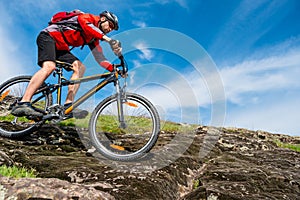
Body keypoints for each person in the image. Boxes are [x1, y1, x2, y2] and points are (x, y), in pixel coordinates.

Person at [11, 10, 122, 119]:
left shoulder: (93, 38)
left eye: (112, 29)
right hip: (48, 37)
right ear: (103, 19)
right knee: (49, 66)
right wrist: (108, 40)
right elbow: (86, 25)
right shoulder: (88, 18)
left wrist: (114, 69)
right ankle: (23, 102)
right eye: (110, 25)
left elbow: (100, 58)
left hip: (60, 47)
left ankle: (68, 106)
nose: (110, 29)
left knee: (80, 67)